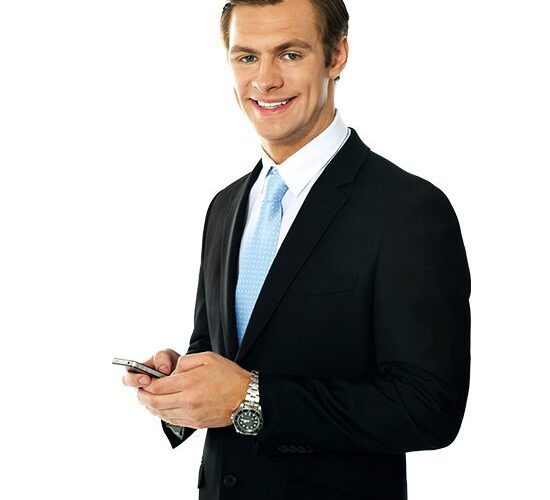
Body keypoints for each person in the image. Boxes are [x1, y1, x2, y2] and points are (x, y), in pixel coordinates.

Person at [121, 0, 471, 498]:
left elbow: (429, 408)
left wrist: (251, 398)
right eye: (247, 57)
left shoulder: (408, 210)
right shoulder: (225, 207)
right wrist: (182, 383)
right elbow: (219, 351)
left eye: (289, 54)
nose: (264, 81)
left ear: (336, 56)